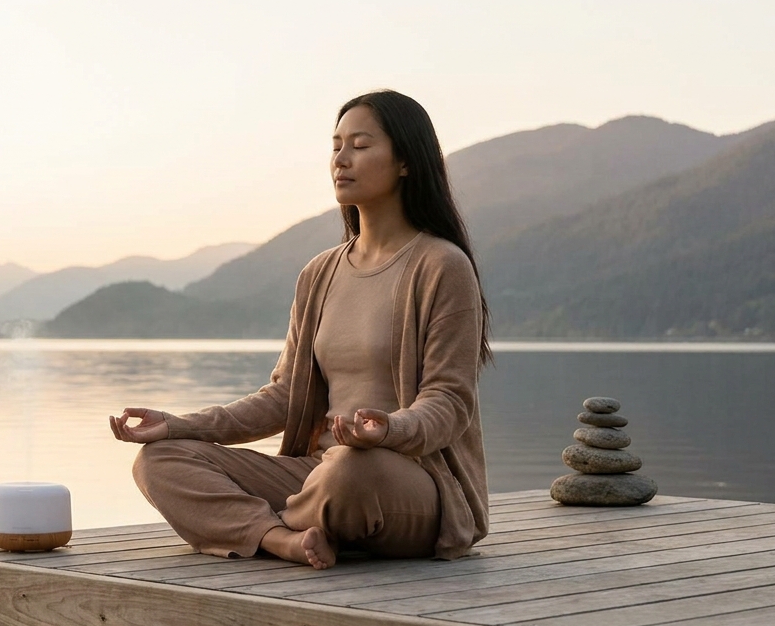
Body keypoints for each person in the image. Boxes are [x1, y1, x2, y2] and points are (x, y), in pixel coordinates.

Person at [108, 90, 493, 569]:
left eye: (360, 145)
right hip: (318, 474)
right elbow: (284, 396)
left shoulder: (441, 265)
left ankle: (257, 523)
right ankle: (281, 539)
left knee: (349, 472)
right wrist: (180, 425)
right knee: (161, 461)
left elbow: (449, 402)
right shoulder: (320, 273)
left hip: (406, 479)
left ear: (405, 163)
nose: (341, 159)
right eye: (336, 146)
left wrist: (388, 430)